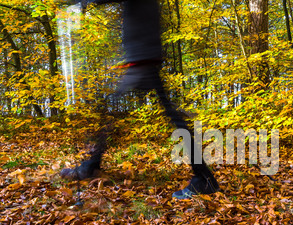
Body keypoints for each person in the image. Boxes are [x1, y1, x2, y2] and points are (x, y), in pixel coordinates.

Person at [59, 0, 220, 199]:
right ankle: (92, 165)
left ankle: (205, 179)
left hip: (143, 58)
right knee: (161, 114)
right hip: (143, 56)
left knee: (115, 112)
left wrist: (86, 2)